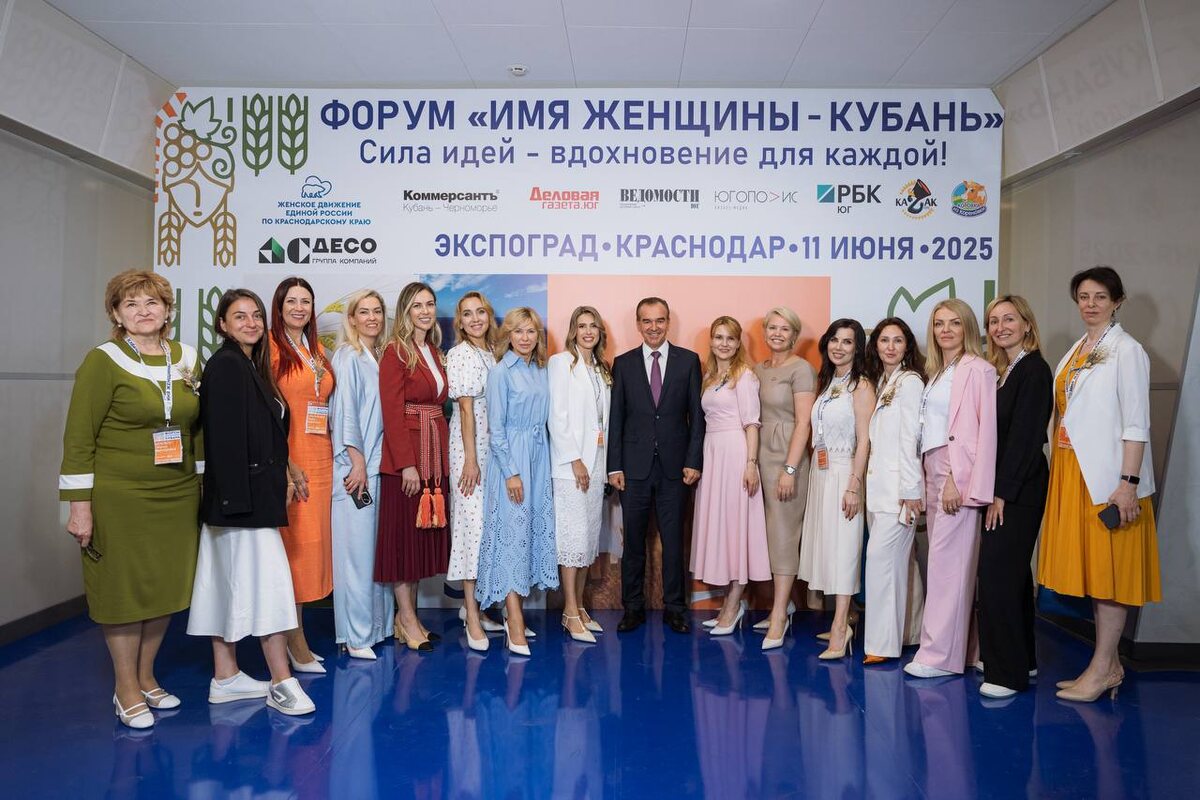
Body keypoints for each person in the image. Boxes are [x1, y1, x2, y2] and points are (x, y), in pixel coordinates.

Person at [60, 270, 202, 729]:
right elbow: (79, 438)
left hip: (177, 493)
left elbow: (196, 430)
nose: (143, 311)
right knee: (123, 589)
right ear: (116, 314)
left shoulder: (186, 358)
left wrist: (202, 484)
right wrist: (79, 506)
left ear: (167, 310)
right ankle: (125, 688)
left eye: (152, 303)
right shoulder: (103, 361)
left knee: (164, 585)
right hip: (120, 496)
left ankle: (146, 676)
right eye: (131, 304)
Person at [187, 288, 315, 716]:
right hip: (241, 504)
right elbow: (223, 442)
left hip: (248, 500)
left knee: (226, 586)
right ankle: (281, 681)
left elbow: (264, 435)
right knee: (271, 588)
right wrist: (236, 504)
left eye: (256, 315)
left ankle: (225, 677)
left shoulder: (249, 365)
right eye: (239, 316)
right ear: (222, 324)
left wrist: (283, 473)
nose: (251, 322)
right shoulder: (226, 365)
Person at [1038, 267, 1160, 702]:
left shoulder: (1128, 350)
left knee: (1111, 575)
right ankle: (1105, 665)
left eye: (1100, 297)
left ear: (1117, 301)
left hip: (1108, 479)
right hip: (1073, 471)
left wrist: (1128, 483)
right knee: (1095, 572)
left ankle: (1104, 668)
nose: (1090, 304)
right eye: (1084, 296)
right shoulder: (1079, 348)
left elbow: (1136, 423)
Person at [904, 299, 997, 679]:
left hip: (955, 472)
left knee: (949, 568)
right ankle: (966, 651)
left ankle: (939, 657)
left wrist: (958, 479)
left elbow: (984, 432)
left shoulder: (979, 370)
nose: (945, 330)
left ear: (968, 328)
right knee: (948, 566)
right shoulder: (938, 371)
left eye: (954, 323)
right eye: (939, 323)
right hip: (934, 466)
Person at [607, 297, 705, 634]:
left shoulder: (688, 361)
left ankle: (675, 609)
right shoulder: (623, 364)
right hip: (633, 470)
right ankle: (632, 608)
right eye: (647, 321)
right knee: (633, 544)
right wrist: (614, 466)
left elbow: (697, 417)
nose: (653, 327)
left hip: (676, 471)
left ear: (668, 323)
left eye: (660, 320)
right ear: (638, 324)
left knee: (673, 544)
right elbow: (616, 418)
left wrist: (694, 461)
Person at [977, 296, 1053, 698]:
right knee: (1014, 575)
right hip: (1006, 485)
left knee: (997, 575)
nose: (1000, 327)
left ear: (1027, 324)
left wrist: (1001, 494)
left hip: (1017, 488)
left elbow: (1025, 439)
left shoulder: (1034, 370)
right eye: (994, 321)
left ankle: (1006, 674)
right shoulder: (1004, 371)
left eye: (1009, 319)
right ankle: (1024, 659)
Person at [475, 307, 558, 655]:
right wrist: (511, 473)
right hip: (512, 461)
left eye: (531, 331)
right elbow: (496, 430)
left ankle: (514, 614)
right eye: (518, 331)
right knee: (512, 537)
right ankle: (515, 621)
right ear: (507, 335)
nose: (525, 338)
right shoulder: (500, 373)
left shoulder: (540, 370)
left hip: (539, 457)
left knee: (529, 533)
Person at [376, 282, 451, 652]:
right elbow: (392, 412)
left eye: (430, 304)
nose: (425, 311)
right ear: (405, 311)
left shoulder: (434, 351)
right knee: (404, 540)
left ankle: (411, 617)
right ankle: (405, 618)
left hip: (433, 452)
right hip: (407, 460)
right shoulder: (395, 352)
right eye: (417, 305)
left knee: (419, 540)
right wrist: (406, 464)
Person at [799, 319, 875, 660]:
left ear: (857, 348)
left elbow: (865, 440)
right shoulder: (828, 382)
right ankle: (845, 618)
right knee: (829, 548)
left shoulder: (862, 386)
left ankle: (841, 628)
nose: (838, 347)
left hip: (845, 474)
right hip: (821, 474)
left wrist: (854, 486)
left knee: (845, 549)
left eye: (847, 342)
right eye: (834, 340)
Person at [269, 277, 334, 673]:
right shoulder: (272, 350)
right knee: (294, 552)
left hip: (321, 457)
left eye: (305, 301)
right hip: (292, 461)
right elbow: (266, 412)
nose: (299, 308)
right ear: (278, 307)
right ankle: (294, 641)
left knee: (312, 554)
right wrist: (284, 465)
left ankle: (299, 635)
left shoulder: (316, 349)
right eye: (291, 301)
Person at [690, 317, 771, 638]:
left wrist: (750, 464)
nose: (724, 343)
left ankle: (734, 605)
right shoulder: (709, 376)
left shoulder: (745, 376)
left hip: (736, 454)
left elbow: (752, 424)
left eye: (730, 338)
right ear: (711, 341)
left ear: (739, 344)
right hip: (713, 456)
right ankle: (728, 603)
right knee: (722, 529)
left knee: (736, 529)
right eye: (718, 337)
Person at [329, 289, 395, 659]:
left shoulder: (378, 357)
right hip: (356, 471)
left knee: (374, 554)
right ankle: (355, 636)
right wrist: (355, 461)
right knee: (355, 556)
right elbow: (345, 412)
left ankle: (378, 627)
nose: (372, 318)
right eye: (364, 312)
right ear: (351, 318)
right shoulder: (347, 356)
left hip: (377, 467)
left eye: (377, 311)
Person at [862, 318, 926, 665]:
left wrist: (911, 489)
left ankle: (883, 645)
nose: (890, 346)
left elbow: (911, 440)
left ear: (907, 346)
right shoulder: (884, 382)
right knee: (900, 565)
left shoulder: (910, 382)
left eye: (897, 340)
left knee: (882, 566)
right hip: (879, 490)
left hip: (899, 493)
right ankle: (910, 633)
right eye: (884, 340)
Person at [751, 307, 816, 644]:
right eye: (772, 327)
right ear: (764, 332)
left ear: (794, 335)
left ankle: (778, 615)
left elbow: (804, 422)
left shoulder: (801, 369)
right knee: (765, 535)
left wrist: (790, 469)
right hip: (758, 458)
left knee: (783, 536)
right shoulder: (757, 369)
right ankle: (783, 605)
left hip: (785, 459)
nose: (777, 333)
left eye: (785, 329)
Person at [548, 306, 613, 643]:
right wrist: (574, 460)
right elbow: (556, 416)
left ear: (600, 332)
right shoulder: (561, 364)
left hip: (596, 464)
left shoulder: (602, 368)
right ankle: (570, 611)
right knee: (571, 540)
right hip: (570, 467)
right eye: (582, 326)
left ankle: (581, 607)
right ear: (573, 330)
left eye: (593, 326)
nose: (588, 331)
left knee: (588, 539)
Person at [446, 291, 503, 650]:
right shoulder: (460, 354)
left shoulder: (492, 352)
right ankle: (469, 614)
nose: (475, 319)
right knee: (471, 531)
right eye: (467, 314)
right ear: (460, 322)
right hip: (470, 450)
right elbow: (465, 409)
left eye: (480, 311)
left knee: (487, 530)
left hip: (491, 450)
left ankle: (478, 609)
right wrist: (470, 459)